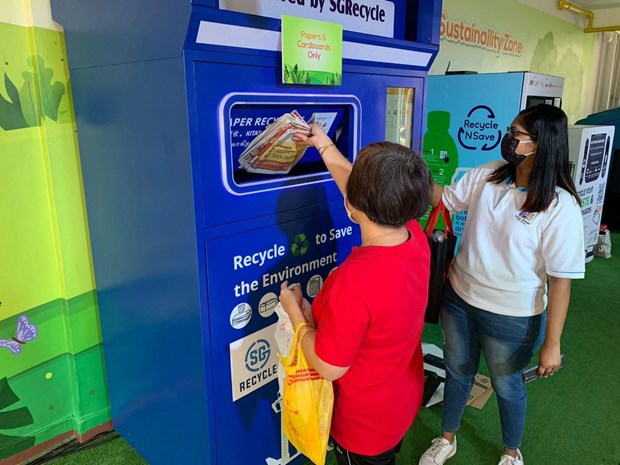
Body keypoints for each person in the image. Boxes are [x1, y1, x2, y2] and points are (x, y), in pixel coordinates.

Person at [418, 104, 585, 465]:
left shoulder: (560, 207)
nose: (507, 140)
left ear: (541, 145)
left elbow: (560, 284)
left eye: (516, 135)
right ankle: (447, 438)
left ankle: (511, 451)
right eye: (510, 131)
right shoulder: (489, 175)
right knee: (457, 371)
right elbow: (443, 197)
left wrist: (552, 344)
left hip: (513, 317)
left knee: (507, 386)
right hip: (459, 300)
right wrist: (406, 167)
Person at [279, 126, 432, 465]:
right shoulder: (414, 236)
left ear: (353, 205)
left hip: (363, 425)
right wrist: (325, 146)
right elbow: (368, 194)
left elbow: (329, 366)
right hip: (400, 399)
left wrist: (296, 315)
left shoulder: (355, 280)